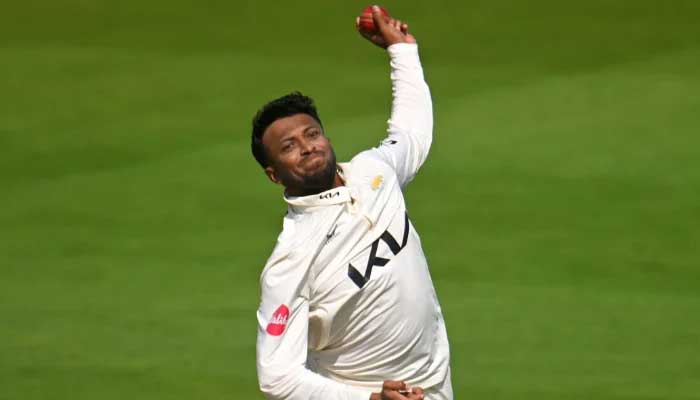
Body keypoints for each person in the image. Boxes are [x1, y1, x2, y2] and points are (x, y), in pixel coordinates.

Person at [251, 6, 452, 400]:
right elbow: (276, 376)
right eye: (289, 147)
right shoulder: (291, 261)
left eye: (311, 134)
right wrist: (370, 398)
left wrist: (402, 51)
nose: (307, 147)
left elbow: (412, 132)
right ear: (274, 174)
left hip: (432, 387)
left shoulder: (373, 173)